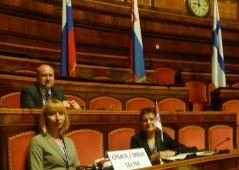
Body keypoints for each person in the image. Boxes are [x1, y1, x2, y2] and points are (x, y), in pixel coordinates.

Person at [28, 99, 80, 170]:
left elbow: (77, 166)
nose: (58, 118)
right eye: (52, 114)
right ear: (45, 118)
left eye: (61, 113)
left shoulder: (69, 141)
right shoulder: (37, 141)